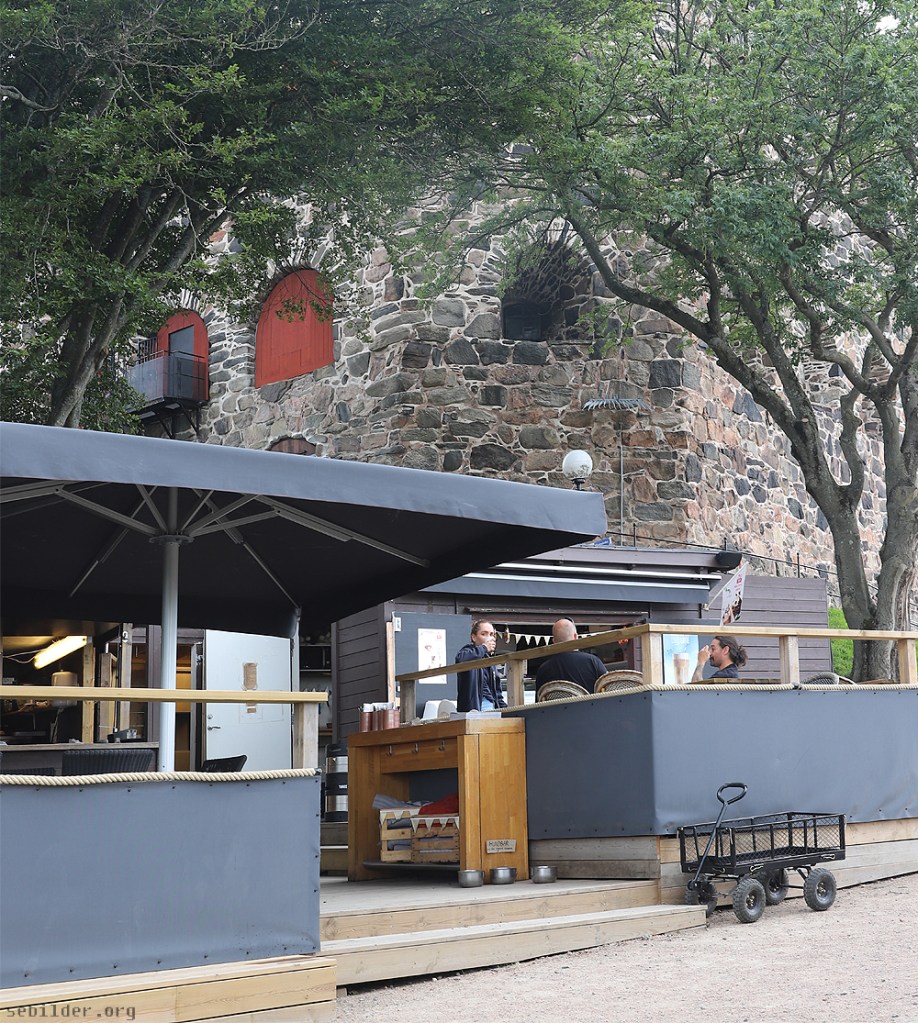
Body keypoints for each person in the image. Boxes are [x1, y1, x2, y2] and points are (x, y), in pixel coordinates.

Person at [534, 618, 607, 689]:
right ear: (575, 636)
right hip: (589, 698)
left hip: (558, 698)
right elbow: (608, 688)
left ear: (554, 641)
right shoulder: (592, 662)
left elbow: (540, 696)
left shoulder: (543, 670)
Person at [455, 620, 505, 711]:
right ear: (474, 637)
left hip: (491, 705)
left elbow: (497, 691)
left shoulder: (489, 660)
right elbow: (461, 659)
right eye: (483, 634)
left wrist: (504, 708)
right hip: (474, 707)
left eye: (491, 634)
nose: (489, 637)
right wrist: (484, 647)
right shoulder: (468, 651)